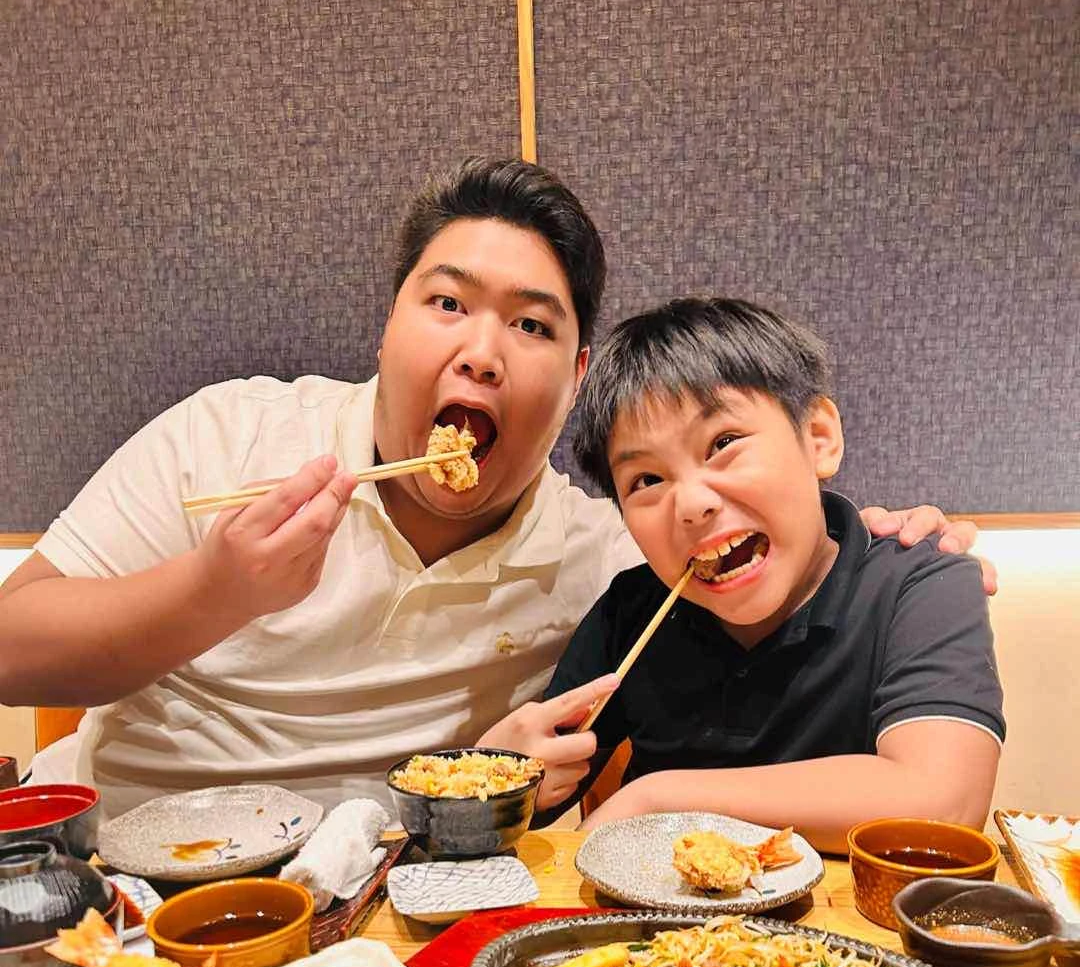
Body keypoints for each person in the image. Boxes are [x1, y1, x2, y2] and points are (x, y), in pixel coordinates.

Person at [0, 161, 990, 818]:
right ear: (387, 328)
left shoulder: (610, 552)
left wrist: (897, 537)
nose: (481, 351)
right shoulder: (230, 436)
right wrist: (218, 591)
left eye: (530, 325)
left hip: (382, 899)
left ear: (573, 376)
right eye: (447, 304)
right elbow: (11, 652)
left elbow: (746, 526)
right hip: (121, 877)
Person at [480, 298, 1003, 851]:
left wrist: (659, 799)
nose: (691, 503)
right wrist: (502, 778)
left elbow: (943, 801)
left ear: (819, 437)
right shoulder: (632, 613)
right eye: (646, 480)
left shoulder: (921, 584)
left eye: (723, 444)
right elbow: (533, 796)